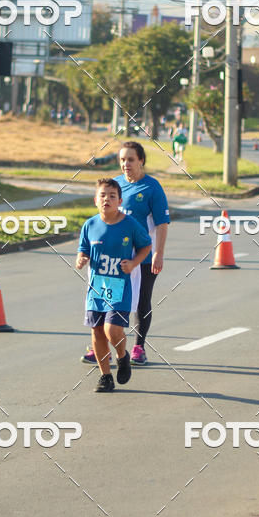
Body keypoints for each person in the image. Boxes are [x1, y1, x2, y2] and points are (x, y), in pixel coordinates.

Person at [80, 141, 170, 367]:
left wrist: (158, 253)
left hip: (142, 256)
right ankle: (100, 348)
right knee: (104, 299)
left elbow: (162, 223)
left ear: (141, 161)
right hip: (112, 258)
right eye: (122, 160)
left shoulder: (152, 187)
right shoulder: (116, 185)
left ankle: (139, 347)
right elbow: (102, 219)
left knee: (141, 300)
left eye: (130, 159)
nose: (126, 164)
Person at [76, 179, 151, 392]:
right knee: (97, 332)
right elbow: (83, 249)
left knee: (112, 329)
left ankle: (122, 356)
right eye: (102, 195)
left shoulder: (130, 224)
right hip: (96, 287)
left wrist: (134, 263)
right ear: (95, 200)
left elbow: (146, 245)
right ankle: (105, 376)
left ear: (120, 201)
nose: (106, 199)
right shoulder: (90, 225)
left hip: (119, 286)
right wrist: (81, 258)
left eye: (112, 196)